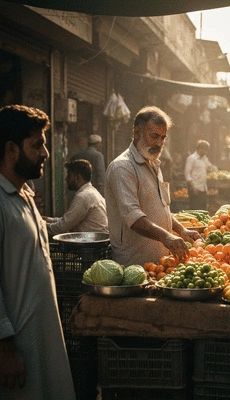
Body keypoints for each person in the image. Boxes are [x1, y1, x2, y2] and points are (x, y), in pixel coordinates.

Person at [0, 105, 75, 398]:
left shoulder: (25, 193)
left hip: (43, 337)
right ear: (11, 149)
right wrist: (5, 349)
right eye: (37, 145)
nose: (45, 153)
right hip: (17, 349)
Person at [105, 105, 201, 266]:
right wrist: (166, 237)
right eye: (154, 136)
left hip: (159, 262)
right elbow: (133, 217)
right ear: (137, 133)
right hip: (134, 264)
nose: (159, 143)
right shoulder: (123, 168)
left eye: (163, 138)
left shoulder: (152, 163)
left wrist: (180, 230)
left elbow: (160, 208)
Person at [44, 159, 108, 237]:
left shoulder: (83, 197)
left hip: (90, 246)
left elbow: (62, 227)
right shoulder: (91, 192)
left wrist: (39, 225)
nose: (66, 179)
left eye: (69, 175)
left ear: (78, 177)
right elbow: (69, 220)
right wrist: (48, 219)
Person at [184, 139, 216, 210]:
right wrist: (193, 187)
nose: (206, 152)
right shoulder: (191, 158)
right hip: (195, 188)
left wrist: (215, 169)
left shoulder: (204, 158)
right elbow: (187, 174)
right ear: (200, 148)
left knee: (203, 209)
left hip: (203, 188)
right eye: (205, 150)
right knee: (195, 209)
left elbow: (210, 167)